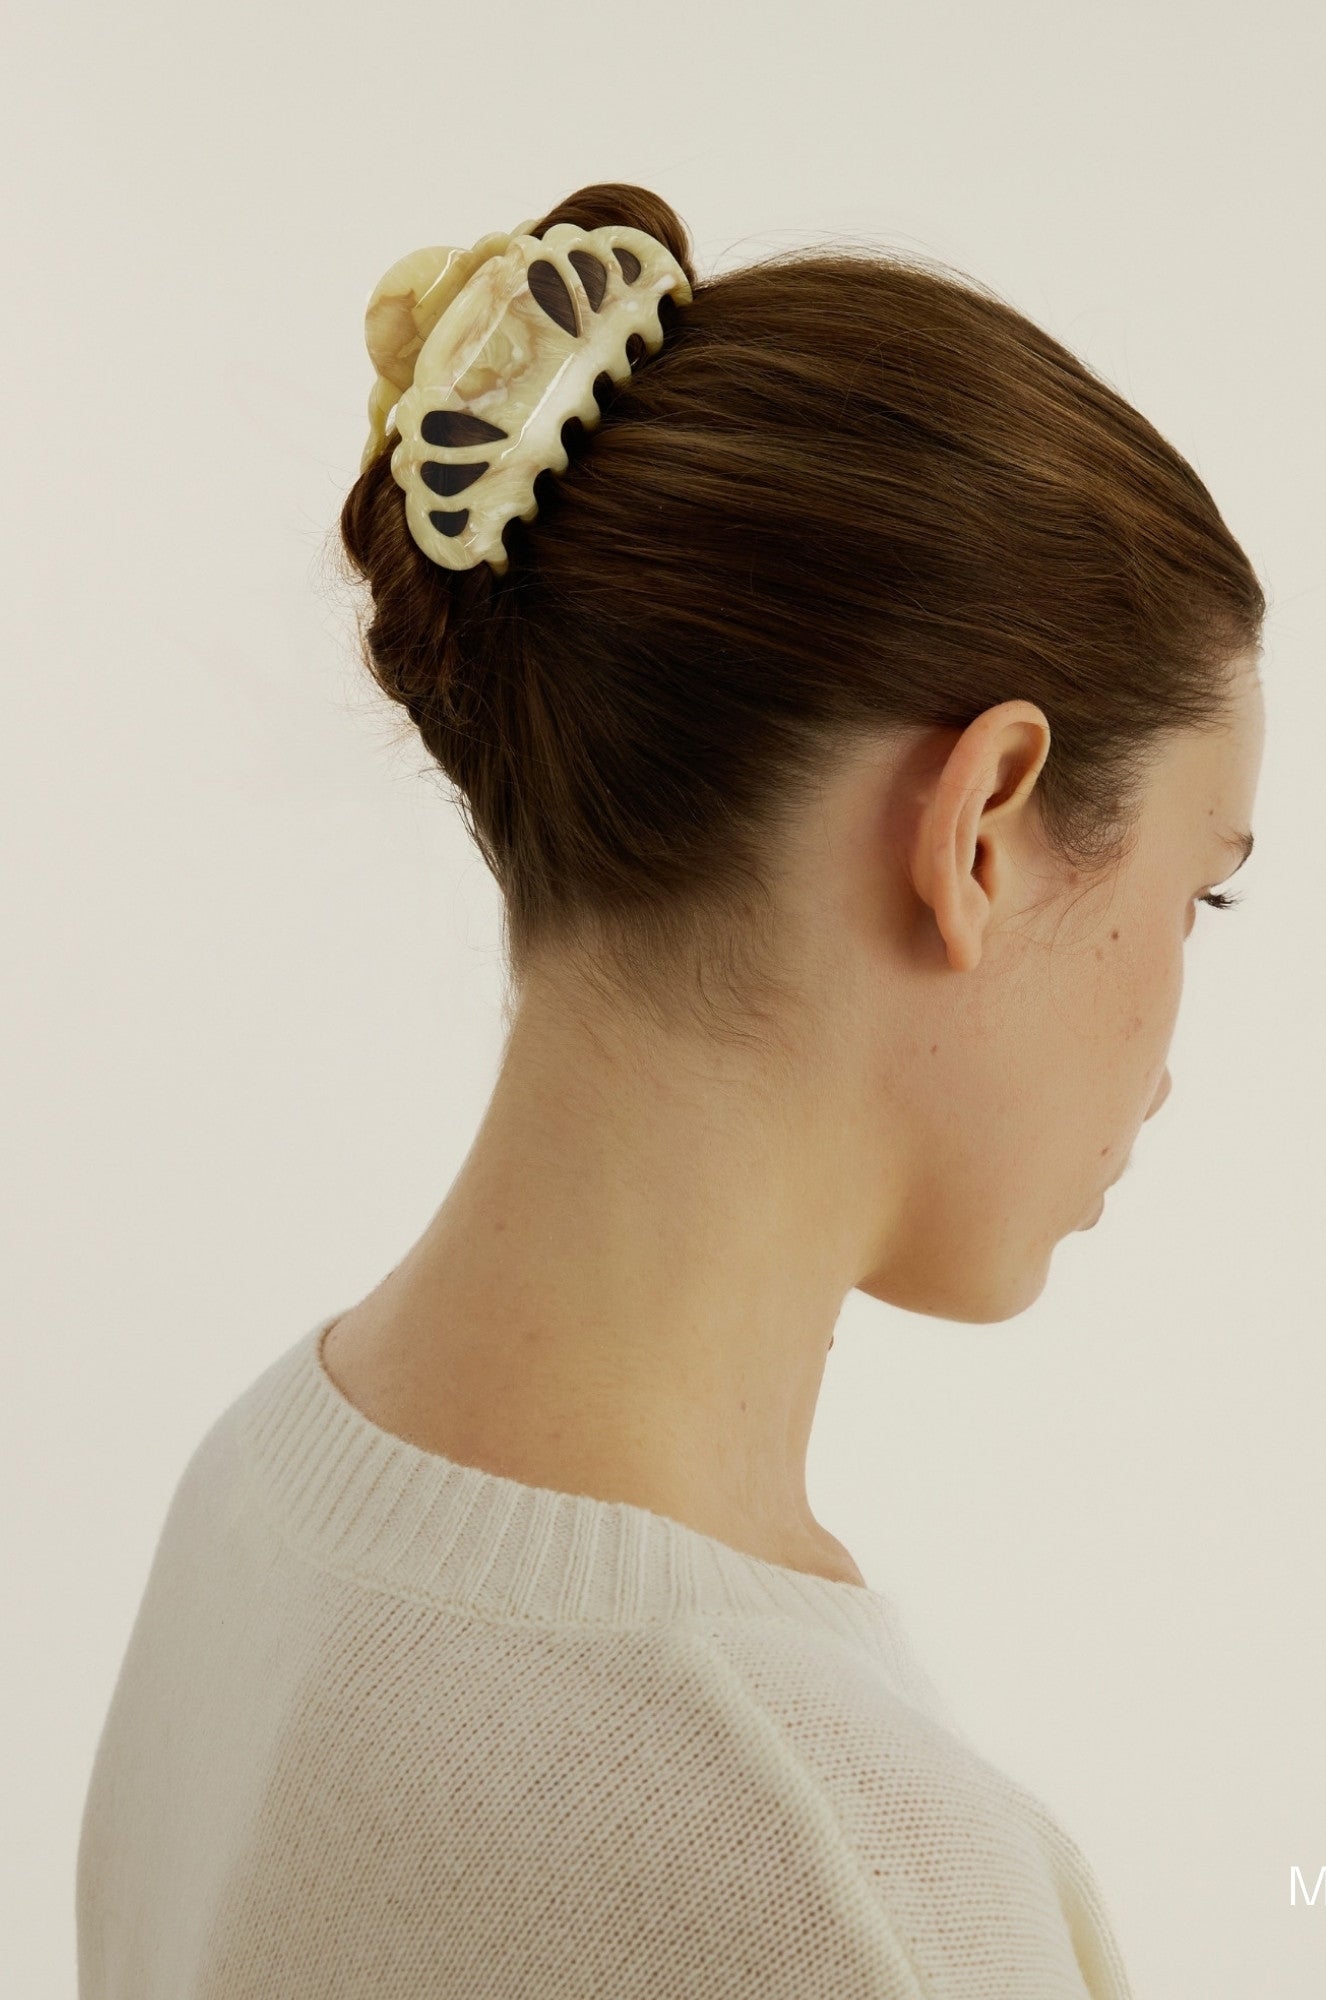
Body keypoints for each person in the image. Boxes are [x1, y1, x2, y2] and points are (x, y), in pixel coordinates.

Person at [77, 181, 1265, 1999]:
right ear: (982, 829)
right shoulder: (837, 1888)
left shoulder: (264, 1492)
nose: (1178, 1052)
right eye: (1203, 890)